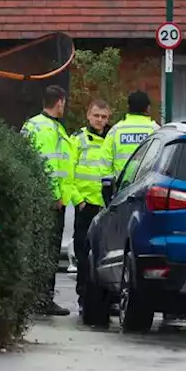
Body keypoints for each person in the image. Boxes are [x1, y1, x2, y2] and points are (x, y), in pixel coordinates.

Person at [21, 85, 76, 317]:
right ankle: (44, 299)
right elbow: (50, 167)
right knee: (49, 250)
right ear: (60, 102)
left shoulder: (31, 124)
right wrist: (56, 196)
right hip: (50, 200)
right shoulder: (49, 130)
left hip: (35, 196)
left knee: (35, 247)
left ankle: (31, 297)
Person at [70, 98, 115, 326]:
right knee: (83, 256)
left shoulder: (112, 139)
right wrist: (78, 200)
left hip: (107, 207)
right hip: (87, 205)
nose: (100, 120)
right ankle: (83, 298)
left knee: (107, 256)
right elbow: (69, 172)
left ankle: (109, 301)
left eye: (104, 117)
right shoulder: (77, 140)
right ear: (88, 115)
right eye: (96, 115)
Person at [104, 91, 160, 179]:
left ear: (128, 107)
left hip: (121, 188)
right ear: (148, 108)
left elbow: (105, 162)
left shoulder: (116, 130)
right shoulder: (156, 131)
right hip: (145, 187)